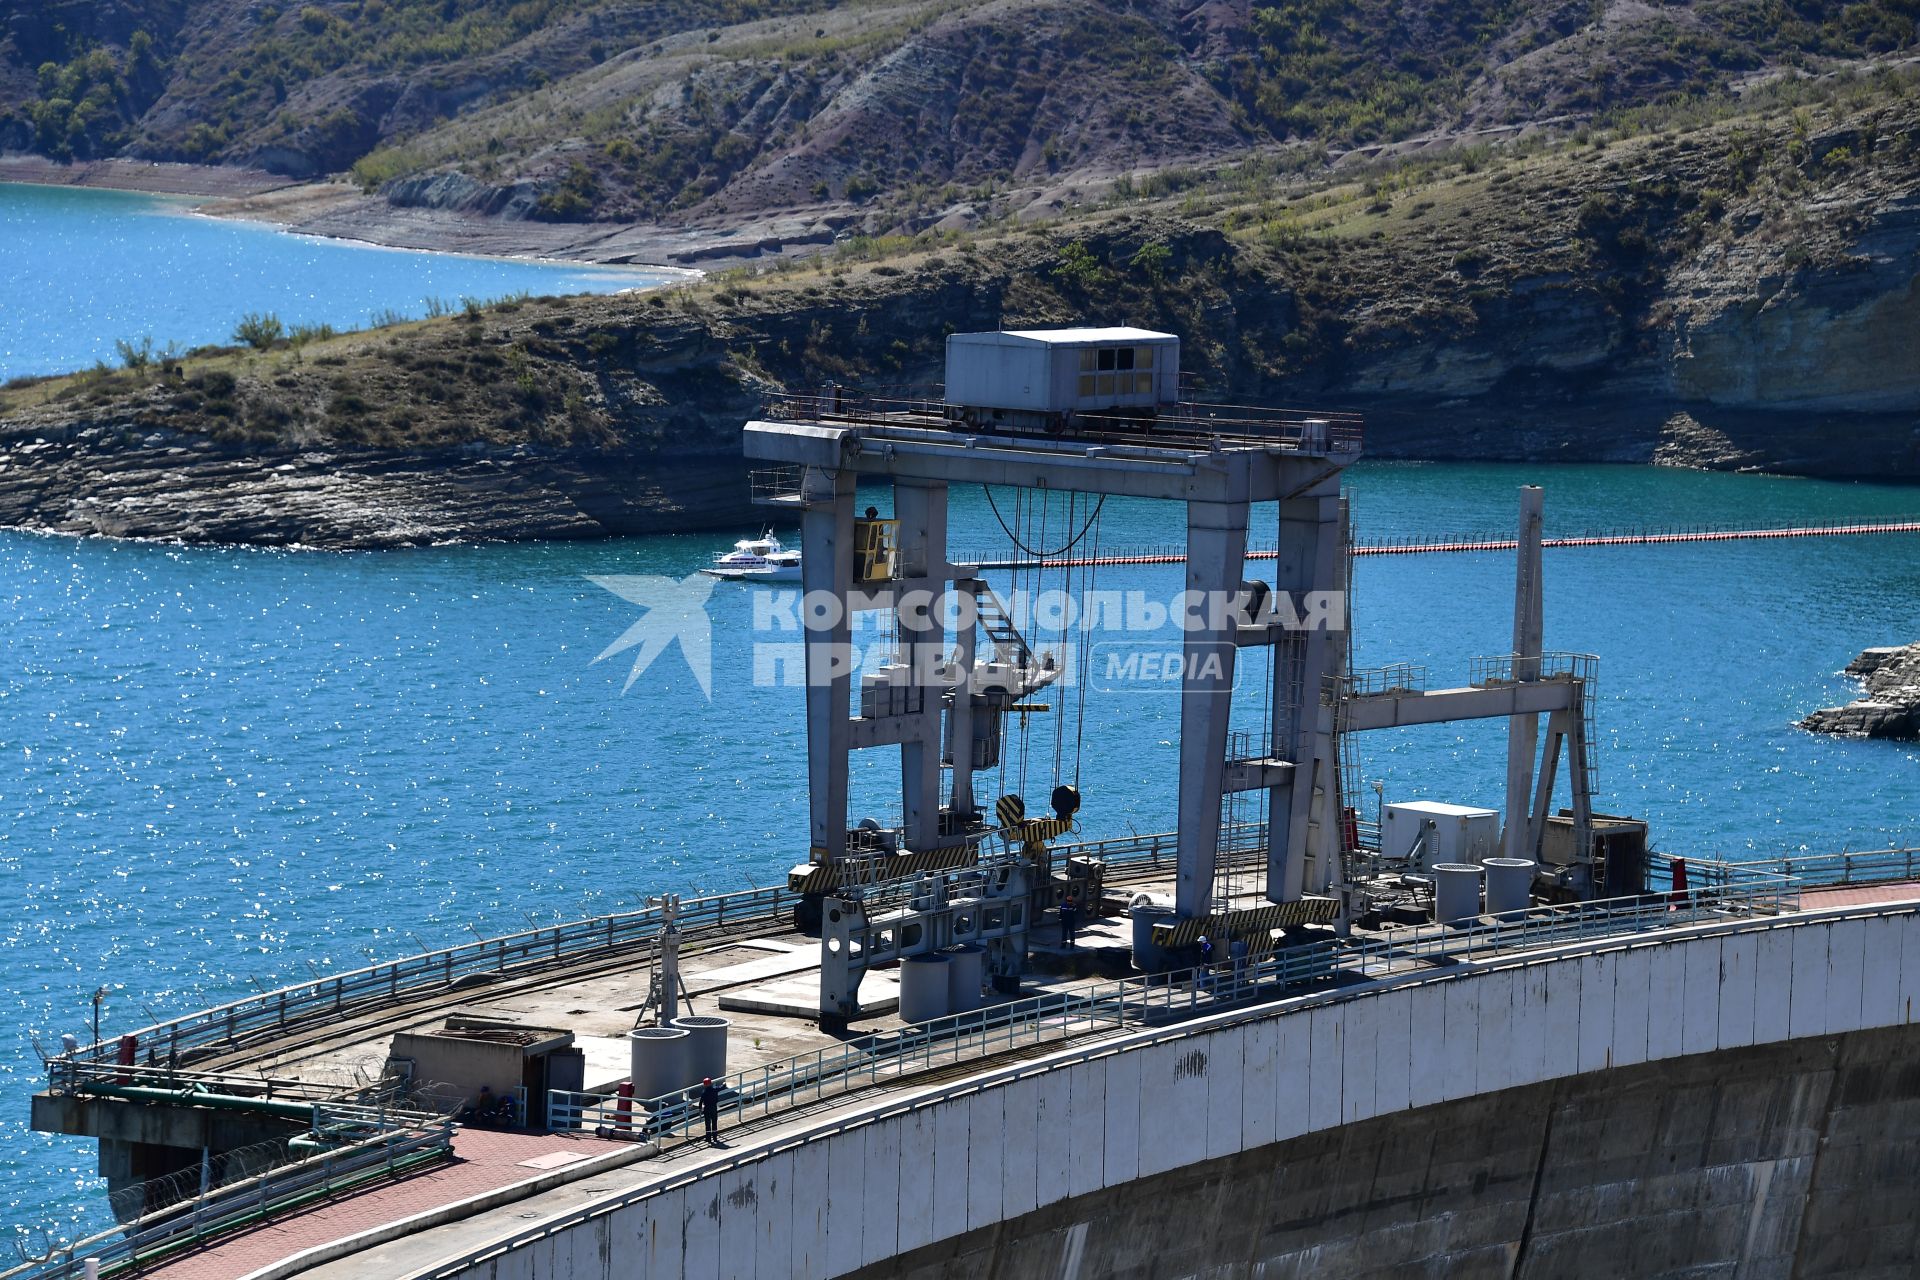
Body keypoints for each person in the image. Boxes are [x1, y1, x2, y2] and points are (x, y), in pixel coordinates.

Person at [699, 1076, 721, 1142]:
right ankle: (715, 1137)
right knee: (714, 1122)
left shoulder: (704, 1092)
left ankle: (708, 1138)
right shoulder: (715, 1090)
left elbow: (701, 1101)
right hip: (714, 1108)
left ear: (705, 1084)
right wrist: (724, 1084)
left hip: (707, 1109)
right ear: (710, 1083)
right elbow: (721, 1087)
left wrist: (700, 1108)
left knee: (708, 1124)